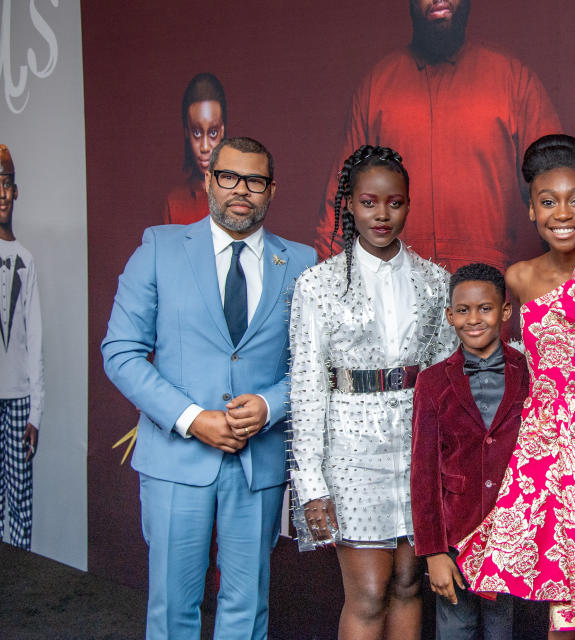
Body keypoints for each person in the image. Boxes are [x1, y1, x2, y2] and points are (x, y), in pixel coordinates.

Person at [102, 137, 316, 639]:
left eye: (255, 181)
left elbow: (313, 364)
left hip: (256, 464)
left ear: (271, 190)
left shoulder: (302, 263)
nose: (241, 190)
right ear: (208, 181)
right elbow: (121, 351)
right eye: (229, 177)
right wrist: (192, 419)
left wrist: (270, 404)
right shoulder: (159, 248)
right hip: (175, 459)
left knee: (247, 609)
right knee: (174, 607)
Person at [457, 134, 575, 638]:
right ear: (531, 211)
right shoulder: (516, 279)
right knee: (564, 610)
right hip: (548, 449)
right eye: (548, 202)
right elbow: (503, 367)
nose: (563, 213)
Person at [288, 145, 458, 640]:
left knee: (409, 583)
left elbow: (448, 377)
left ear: (408, 204)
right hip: (351, 453)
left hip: (416, 446)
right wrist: (311, 482)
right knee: (367, 592)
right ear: (349, 205)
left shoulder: (435, 280)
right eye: (368, 202)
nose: (382, 215)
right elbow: (306, 386)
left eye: (395, 203)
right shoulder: (316, 284)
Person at [315, 0, 561, 273]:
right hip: (394, 279)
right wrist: (332, 284)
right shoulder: (377, 85)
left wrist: (571, 283)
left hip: (483, 284)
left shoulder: (513, 80)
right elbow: (339, 204)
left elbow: (556, 191)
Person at [411, 262, 528, 640]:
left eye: (485, 308)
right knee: (456, 631)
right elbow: (423, 474)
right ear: (449, 316)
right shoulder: (432, 383)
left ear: (505, 312)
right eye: (463, 310)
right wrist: (433, 553)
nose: (474, 319)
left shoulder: (530, 372)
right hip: (455, 543)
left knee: (504, 631)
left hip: (512, 538)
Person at [0, 144, 43, 551]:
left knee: (21, 502)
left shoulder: (25, 259)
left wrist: (36, 410)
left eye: (6, 182)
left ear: (16, 191)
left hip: (16, 400)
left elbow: (35, 343)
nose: (1, 191)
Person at [163, 72, 227, 225]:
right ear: (187, 132)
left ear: (222, 131)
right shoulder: (174, 202)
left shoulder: (239, 195)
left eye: (213, 132)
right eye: (196, 133)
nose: (205, 147)